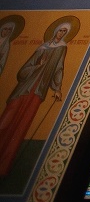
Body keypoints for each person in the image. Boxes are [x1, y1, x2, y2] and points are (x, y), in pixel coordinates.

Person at [0, 21, 71, 177]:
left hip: (39, 90)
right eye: (60, 31)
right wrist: (36, 66)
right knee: (7, 118)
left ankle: (3, 166)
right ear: (55, 31)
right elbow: (23, 70)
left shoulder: (61, 49)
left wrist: (57, 88)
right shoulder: (42, 47)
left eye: (64, 32)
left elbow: (59, 67)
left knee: (22, 125)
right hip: (24, 87)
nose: (61, 34)